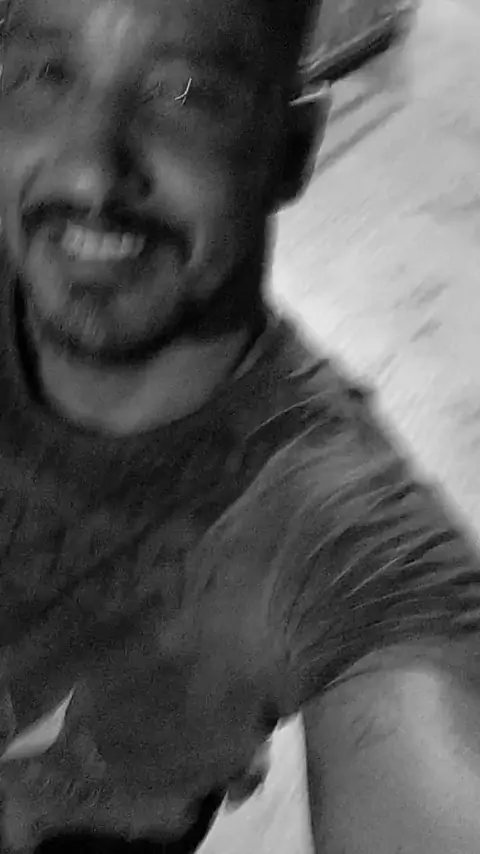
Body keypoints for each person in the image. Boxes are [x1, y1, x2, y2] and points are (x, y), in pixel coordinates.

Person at [0, 0, 480, 852]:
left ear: (292, 150)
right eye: (46, 73)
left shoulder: (344, 545)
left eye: (184, 92)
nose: (89, 174)